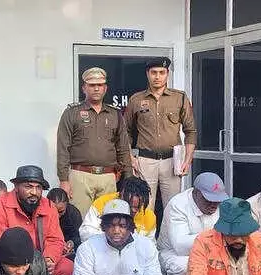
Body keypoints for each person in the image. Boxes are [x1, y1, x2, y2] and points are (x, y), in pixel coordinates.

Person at [56, 67, 131, 215]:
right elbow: (63, 147)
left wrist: (128, 179)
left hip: (108, 177)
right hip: (80, 176)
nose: (96, 88)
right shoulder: (72, 113)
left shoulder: (115, 114)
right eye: (92, 85)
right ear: (84, 88)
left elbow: (123, 148)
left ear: (105, 88)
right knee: (80, 219)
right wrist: (64, 180)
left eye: (100, 85)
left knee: (109, 220)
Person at [124, 57, 196, 210]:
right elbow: (126, 132)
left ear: (167, 74)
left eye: (162, 72)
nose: (157, 77)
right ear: (147, 74)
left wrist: (188, 160)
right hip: (145, 161)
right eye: (154, 72)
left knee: (173, 207)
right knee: (144, 207)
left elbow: (190, 131)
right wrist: (131, 158)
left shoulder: (180, 98)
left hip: (172, 161)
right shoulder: (136, 99)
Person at [0, 166, 74, 275]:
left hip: (42, 262)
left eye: (38, 187)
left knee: (67, 269)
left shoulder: (49, 206)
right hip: (13, 264)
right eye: (28, 186)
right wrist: (28, 264)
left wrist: (49, 259)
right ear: (16, 187)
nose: (34, 192)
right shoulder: (0, 206)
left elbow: (55, 239)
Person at [157, 172, 227, 275]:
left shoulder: (216, 206)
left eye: (217, 200)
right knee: (183, 267)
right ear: (196, 193)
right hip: (172, 253)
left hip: (206, 251)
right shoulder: (178, 204)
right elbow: (180, 246)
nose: (214, 205)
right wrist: (214, 236)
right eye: (209, 199)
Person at [79, 176, 156, 242]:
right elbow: (85, 234)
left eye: (137, 207)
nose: (133, 210)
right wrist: (112, 238)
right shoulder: (102, 203)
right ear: (120, 196)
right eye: (130, 206)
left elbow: (150, 246)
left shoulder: (149, 216)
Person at [47, 187, 82, 260]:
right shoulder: (41, 214)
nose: (57, 215)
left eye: (60, 211)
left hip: (68, 251)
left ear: (67, 205)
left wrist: (72, 243)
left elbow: (79, 235)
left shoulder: (73, 214)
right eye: (53, 211)